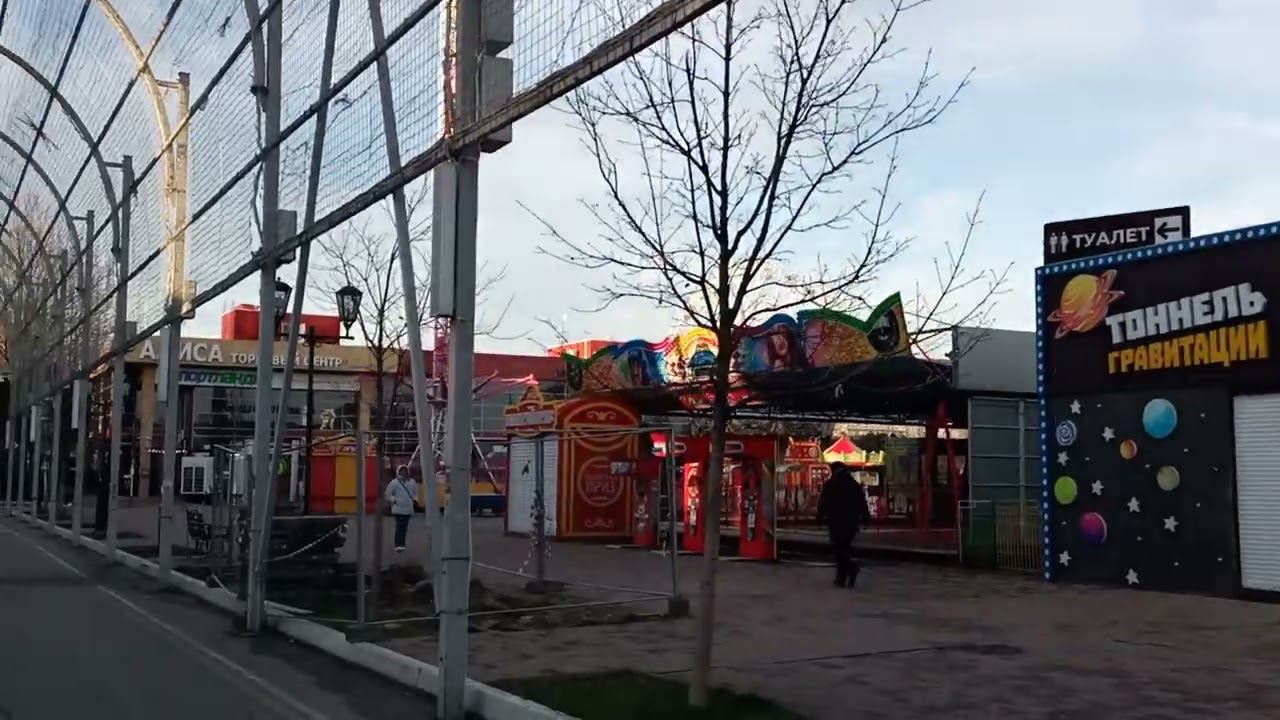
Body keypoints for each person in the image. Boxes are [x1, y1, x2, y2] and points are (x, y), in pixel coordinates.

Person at [818, 461, 871, 588]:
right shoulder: (853, 484)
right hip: (851, 521)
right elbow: (861, 502)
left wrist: (820, 516)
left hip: (836, 521)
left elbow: (824, 502)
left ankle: (848, 571)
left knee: (839, 549)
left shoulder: (831, 484)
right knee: (844, 547)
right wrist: (866, 518)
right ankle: (843, 575)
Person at [385, 465, 418, 553]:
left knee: (404, 527)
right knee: (400, 526)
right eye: (402, 471)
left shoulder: (412, 482)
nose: (404, 473)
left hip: (408, 509)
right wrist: (394, 500)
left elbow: (415, 493)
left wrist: (414, 500)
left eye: (405, 471)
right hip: (398, 509)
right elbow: (388, 494)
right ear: (399, 472)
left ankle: (401, 544)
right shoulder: (394, 483)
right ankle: (398, 544)